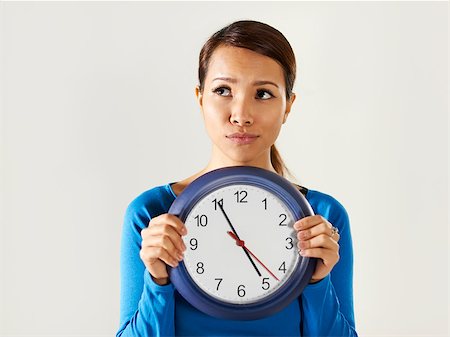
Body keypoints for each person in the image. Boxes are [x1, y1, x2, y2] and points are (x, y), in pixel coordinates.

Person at [117, 20, 357, 337]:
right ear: (200, 98)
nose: (241, 114)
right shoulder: (152, 213)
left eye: (263, 93)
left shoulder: (323, 216)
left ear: (288, 106)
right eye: (223, 91)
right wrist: (158, 282)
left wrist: (317, 281)